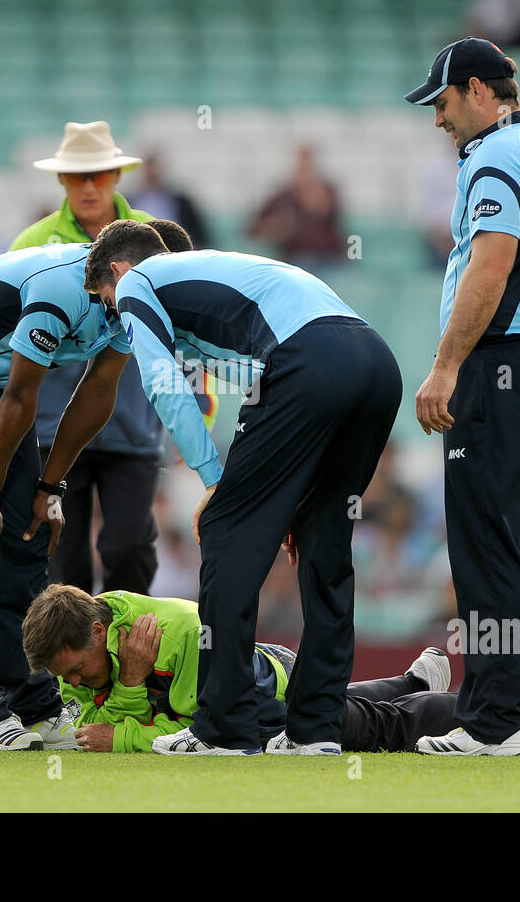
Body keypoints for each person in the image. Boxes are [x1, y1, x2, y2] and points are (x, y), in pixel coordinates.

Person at [86, 221, 402, 756]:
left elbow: (166, 389)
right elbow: (258, 388)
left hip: (310, 361)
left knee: (225, 530)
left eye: (106, 302)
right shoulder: (214, 279)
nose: (114, 318)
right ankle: (315, 730)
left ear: (117, 272)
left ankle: (225, 728)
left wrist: (215, 484)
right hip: (374, 363)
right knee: (323, 544)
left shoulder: (140, 283)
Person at [0, 219, 192, 751]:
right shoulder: (61, 288)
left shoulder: (127, 302)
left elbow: (99, 389)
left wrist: (49, 488)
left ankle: (33, 703)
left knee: (26, 541)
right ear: (122, 271)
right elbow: (20, 400)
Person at [406, 37, 520, 756]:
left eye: (442, 103)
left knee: (486, 540)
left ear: (478, 90)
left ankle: (495, 717)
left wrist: (446, 365)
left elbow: (492, 263)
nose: (438, 120)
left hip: (501, 364)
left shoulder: (495, 159)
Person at [13, 121, 205, 598]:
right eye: (78, 176)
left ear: (117, 175)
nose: (90, 185)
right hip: (54, 431)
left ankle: (126, 657)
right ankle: (71, 666)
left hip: (133, 425)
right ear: (62, 181)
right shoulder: (30, 244)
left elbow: (187, 323)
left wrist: (199, 406)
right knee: (64, 557)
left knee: (129, 548)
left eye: (99, 174)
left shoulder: (153, 241)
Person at [21, 584, 458, 753]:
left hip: (264, 687)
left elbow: (199, 730)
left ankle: (461, 709)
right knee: (331, 708)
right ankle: (413, 682)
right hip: (252, 672)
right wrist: (132, 689)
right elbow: (93, 728)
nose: (72, 684)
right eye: (65, 678)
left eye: (76, 671)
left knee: (330, 725)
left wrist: (128, 718)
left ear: (99, 633)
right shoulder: (75, 653)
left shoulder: (178, 636)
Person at [246, 144, 346, 270]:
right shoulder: (282, 197)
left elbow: (327, 215)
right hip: (291, 259)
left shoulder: (327, 192)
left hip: (326, 259)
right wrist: (276, 227)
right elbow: (254, 230)